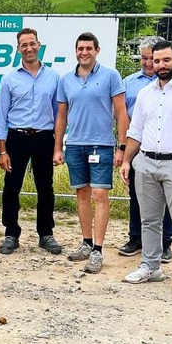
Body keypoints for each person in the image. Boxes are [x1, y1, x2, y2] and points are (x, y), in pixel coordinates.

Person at [120, 40, 172, 298]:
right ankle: (151, 267)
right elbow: (136, 131)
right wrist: (128, 160)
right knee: (149, 220)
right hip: (146, 162)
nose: (160, 65)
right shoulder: (145, 93)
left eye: (166, 60)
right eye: (156, 60)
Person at [53, 32, 128, 274]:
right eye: (80, 48)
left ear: (97, 50)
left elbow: (121, 112)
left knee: (99, 195)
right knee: (82, 194)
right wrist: (58, 146)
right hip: (75, 145)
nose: (84, 52)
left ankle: (98, 249)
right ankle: (85, 243)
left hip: (102, 145)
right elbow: (62, 115)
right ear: (75, 51)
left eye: (88, 48)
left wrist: (122, 146)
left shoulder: (110, 76)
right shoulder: (66, 80)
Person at [0, 28, 62, 255]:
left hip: (43, 138)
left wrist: (57, 145)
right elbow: (1, 116)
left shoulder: (53, 77)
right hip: (17, 137)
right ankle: (11, 233)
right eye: (24, 45)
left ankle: (46, 234)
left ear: (39, 45)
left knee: (45, 188)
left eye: (32, 43)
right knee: (12, 188)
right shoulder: (9, 79)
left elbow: (58, 115)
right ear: (18, 49)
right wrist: (2, 151)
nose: (29, 48)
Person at [119, 36, 172, 261]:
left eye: (152, 58)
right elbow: (122, 117)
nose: (149, 63)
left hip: (165, 146)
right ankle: (136, 237)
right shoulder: (129, 83)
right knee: (136, 194)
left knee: (167, 197)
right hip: (137, 146)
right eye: (144, 58)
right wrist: (122, 149)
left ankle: (165, 242)